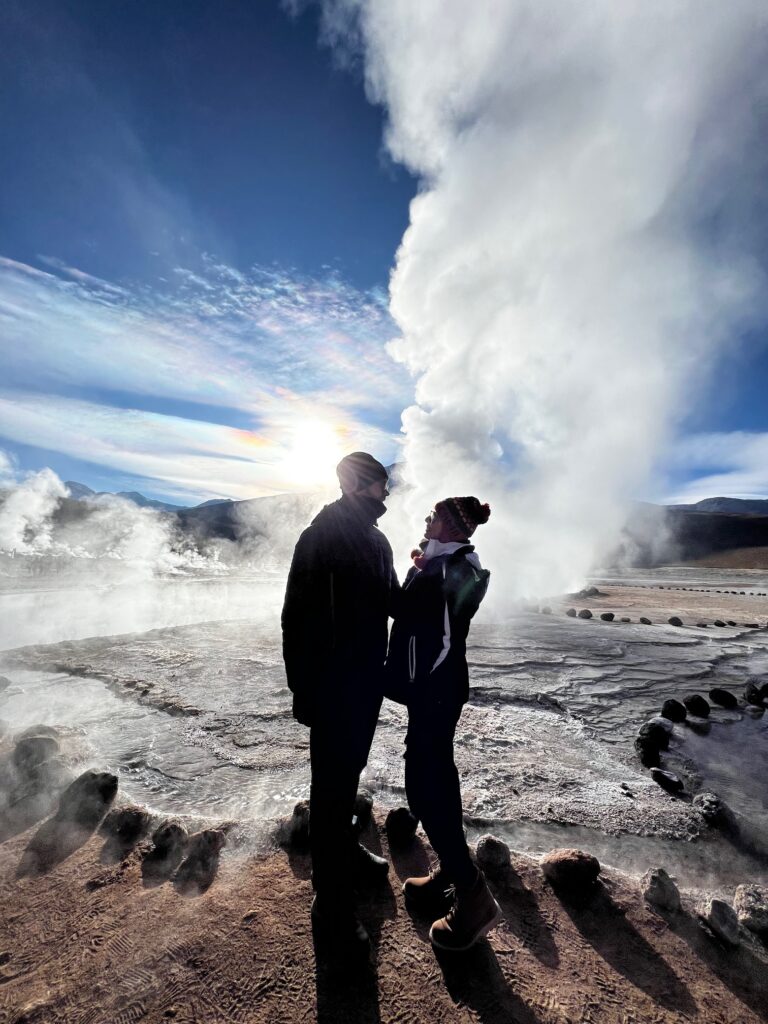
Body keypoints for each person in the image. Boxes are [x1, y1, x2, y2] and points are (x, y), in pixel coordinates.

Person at [281, 452, 399, 956]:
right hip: (331, 688)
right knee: (329, 794)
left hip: (366, 685)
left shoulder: (378, 541)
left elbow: (395, 602)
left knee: (348, 778)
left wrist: (443, 576)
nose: (387, 495)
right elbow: (294, 618)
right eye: (380, 486)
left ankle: (346, 852)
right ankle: (330, 906)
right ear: (357, 485)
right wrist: (302, 689)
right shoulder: (320, 537)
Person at [385, 495, 501, 951]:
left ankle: (475, 900)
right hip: (434, 691)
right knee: (438, 781)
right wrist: (418, 566)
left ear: (452, 527)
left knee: (424, 790)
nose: (426, 520)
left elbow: (444, 639)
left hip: (435, 691)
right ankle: (451, 876)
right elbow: (414, 615)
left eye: (434, 516)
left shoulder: (455, 570)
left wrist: (416, 687)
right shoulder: (445, 563)